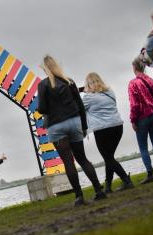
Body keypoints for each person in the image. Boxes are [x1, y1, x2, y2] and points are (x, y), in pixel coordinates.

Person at [37, 55, 106, 206]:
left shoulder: (43, 85)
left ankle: (79, 196)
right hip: (74, 122)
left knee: (68, 162)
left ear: (44, 68)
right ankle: (98, 190)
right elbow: (80, 104)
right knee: (82, 158)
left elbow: (41, 108)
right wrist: (84, 125)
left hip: (56, 126)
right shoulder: (69, 81)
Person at [82, 72, 134, 193]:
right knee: (109, 157)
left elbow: (79, 109)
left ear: (88, 84)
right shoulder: (110, 92)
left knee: (108, 158)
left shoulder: (88, 97)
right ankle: (108, 186)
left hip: (102, 130)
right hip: (117, 127)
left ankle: (126, 180)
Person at [128, 58, 153, 183]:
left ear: (134, 67)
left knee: (143, 147)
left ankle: (150, 174)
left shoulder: (133, 83)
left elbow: (134, 104)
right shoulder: (150, 80)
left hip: (142, 117)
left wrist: (133, 120)